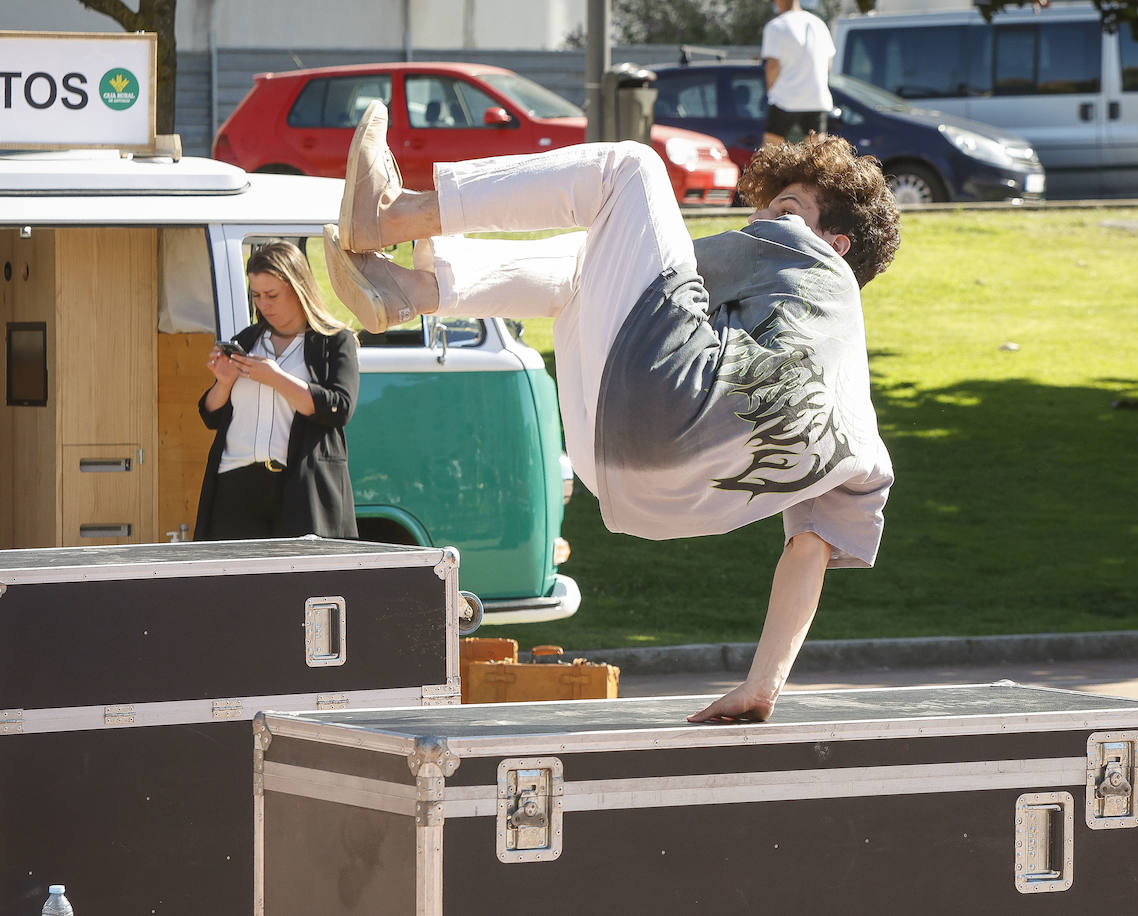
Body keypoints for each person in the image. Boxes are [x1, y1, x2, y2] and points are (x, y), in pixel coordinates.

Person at [324, 100, 899, 722]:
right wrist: (763, 686)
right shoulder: (862, 434)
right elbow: (808, 553)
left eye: (785, 210)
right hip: (640, 491)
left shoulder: (812, 263)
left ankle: (395, 215)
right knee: (587, 270)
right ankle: (406, 292)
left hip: (655, 400)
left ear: (836, 245)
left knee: (630, 169)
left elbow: (645, 245)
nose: (762, 221)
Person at [194, 240, 360, 540]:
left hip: (299, 488)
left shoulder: (334, 341)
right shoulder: (246, 339)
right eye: (256, 295)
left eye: (272, 295)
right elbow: (210, 416)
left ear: (298, 289)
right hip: (235, 485)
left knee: (296, 583)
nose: (263, 305)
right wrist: (224, 382)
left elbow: (340, 407)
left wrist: (277, 378)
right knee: (233, 582)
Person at [761, 0, 836, 147]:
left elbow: (772, 66)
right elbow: (828, 63)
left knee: (769, 155)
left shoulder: (776, 26)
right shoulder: (818, 24)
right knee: (817, 157)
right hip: (816, 99)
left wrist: (770, 91)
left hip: (784, 99)